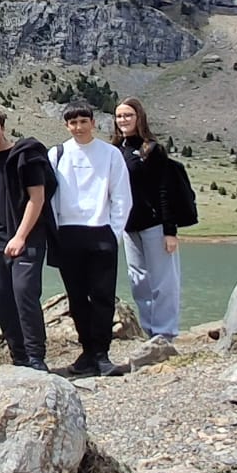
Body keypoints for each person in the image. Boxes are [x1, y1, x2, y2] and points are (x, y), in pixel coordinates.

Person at [48, 102, 133, 377]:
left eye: (83, 121)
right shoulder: (57, 154)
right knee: (76, 298)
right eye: (73, 122)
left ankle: (102, 354)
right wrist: (55, 231)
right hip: (68, 233)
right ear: (66, 125)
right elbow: (48, 197)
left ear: (93, 123)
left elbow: (121, 196)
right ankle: (87, 352)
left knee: (103, 296)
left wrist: (114, 232)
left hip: (100, 232)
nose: (79, 127)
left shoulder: (110, 154)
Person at [0, 107, 55, 371]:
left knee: (24, 294)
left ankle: (36, 356)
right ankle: (18, 357)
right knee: (0, 301)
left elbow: (37, 198)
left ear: (2, 128)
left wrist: (20, 236)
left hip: (28, 238)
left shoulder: (24, 157)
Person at [113, 97, 193, 343]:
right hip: (129, 227)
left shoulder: (152, 149)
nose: (123, 120)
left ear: (139, 118)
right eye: (119, 116)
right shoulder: (115, 151)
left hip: (155, 225)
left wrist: (170, 230)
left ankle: (165, 333)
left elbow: (164, 190)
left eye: (128, 115)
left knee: (164, 282)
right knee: (139, 282)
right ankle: (150, 332)